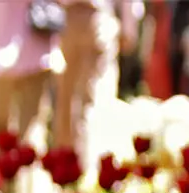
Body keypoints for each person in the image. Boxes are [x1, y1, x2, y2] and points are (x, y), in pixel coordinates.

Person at [55, 0, 140, 168]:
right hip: (95, 18)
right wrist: (129, 28)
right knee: (95, 98)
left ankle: (67, 166)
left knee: (67, 99)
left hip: (67, 20)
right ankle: (91, 166)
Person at [0, 0, 58, 145]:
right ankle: (22, 165)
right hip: (31, 51)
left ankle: (5, 165)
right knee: (30, 128)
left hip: (0, 52)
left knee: (4, 129)